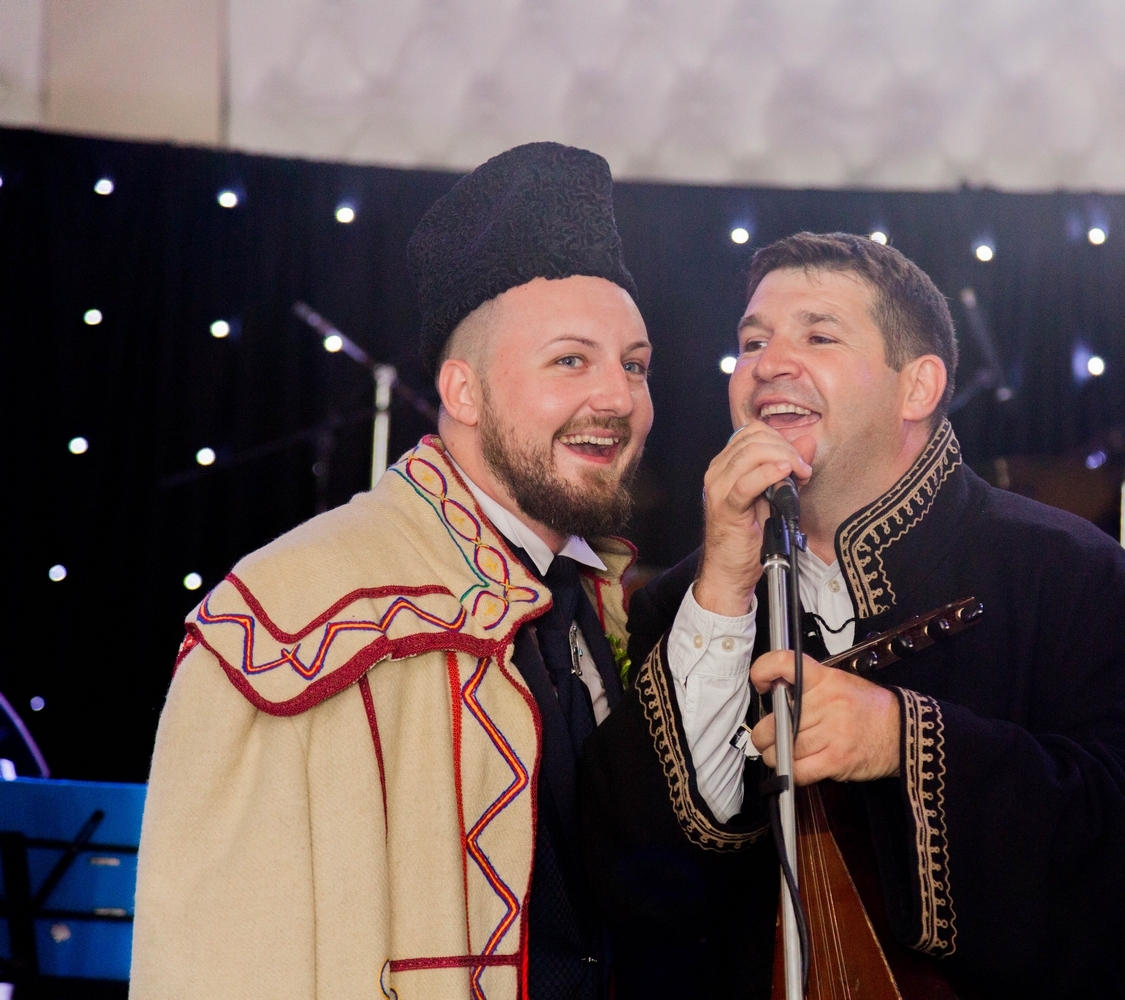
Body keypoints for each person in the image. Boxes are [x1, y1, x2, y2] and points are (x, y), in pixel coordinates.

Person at [130, 142, 767, 1000]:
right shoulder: (292, 615)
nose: (618, 398)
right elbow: (218, 965)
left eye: (635, 365)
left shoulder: (600, 602)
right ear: (463, 392)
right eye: (570, 360)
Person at [586, 232, 1125, 997]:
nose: (769, 364)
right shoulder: (680, 604)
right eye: (752, 342)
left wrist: (903, 740)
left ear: (917, 387)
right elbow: (632, 883)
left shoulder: (1072, 573)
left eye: (819, 336)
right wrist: (722, 588)